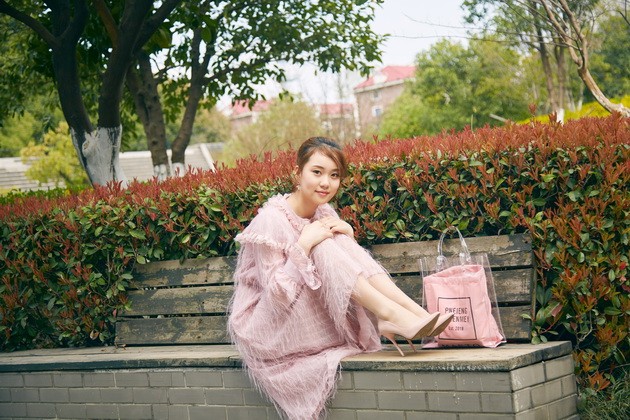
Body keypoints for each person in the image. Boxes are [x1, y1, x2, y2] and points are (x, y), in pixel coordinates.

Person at [228, 137, 453, 419]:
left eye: (334, 175)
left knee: (336, 235)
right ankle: (389, 315)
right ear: (297, 173)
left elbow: (340, 267)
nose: (326, 183)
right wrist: (303, 245)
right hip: (267, 325)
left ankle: (414, 312)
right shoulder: (271, 220)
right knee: (322, 241)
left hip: (306, 311)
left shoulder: (323, 211)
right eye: (317, 172)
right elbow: (277, 296)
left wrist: (348, 237)